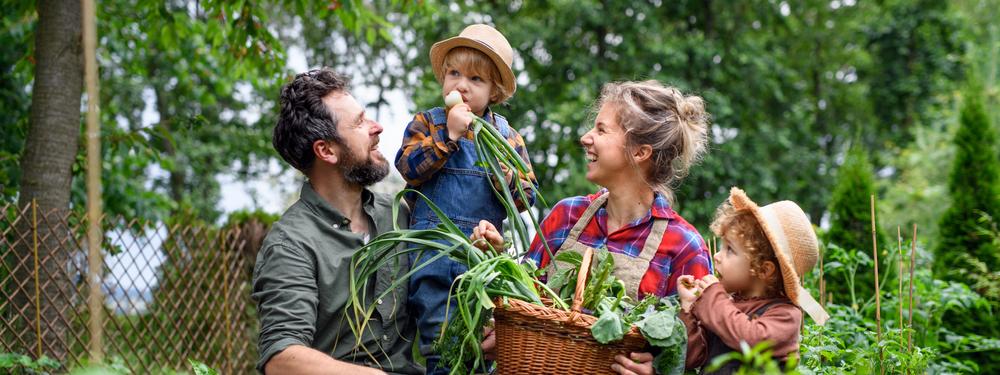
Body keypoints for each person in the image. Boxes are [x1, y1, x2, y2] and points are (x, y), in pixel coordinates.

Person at [473, 80, 714, 375]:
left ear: (640, 152)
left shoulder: (684, 246)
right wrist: (498, 265)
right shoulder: (567, 215)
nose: (586, 138)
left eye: (601, 130)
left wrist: (661, 369)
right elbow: (522, 299)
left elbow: (704, 352)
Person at [252, 68, 422, 375]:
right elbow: (281, 358)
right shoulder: (291, 243)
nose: (377, 127)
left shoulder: (401, 216)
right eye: (359, 123)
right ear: (326, 150)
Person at [394, 24, 536, 374]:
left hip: (482, 260)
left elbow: (527, 196)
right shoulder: (427, 123)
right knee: (442, 344)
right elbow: (407, 167)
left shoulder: (508, 137)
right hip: (433, 256)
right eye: (454, 73)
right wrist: (450, 136)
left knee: (482, 344)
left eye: (475, 79)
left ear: (495, 92)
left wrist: (507, 179)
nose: (461, 85)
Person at [677, 187, 830, 374]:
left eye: (729, 250)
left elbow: (750, 339)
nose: (716, 256)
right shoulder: (725, 304)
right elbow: (693, 358)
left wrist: (713, 297)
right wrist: (688, 307)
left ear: (763, 269)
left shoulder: (786, 315)